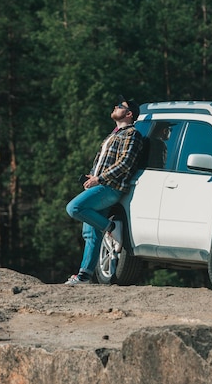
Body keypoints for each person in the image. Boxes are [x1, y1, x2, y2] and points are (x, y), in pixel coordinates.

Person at [64, 95, 143, 285]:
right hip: (99, 184)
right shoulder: (113, 135)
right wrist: (92, 177)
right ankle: (84, 276)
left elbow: (125, 163)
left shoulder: (132, 135)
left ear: (129, 113)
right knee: (91, 234)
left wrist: (99, 179)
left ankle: (111, 227)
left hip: (111, 188)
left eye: (120, 106)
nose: (115, 107)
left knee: (74, 208)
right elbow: (100, 161)